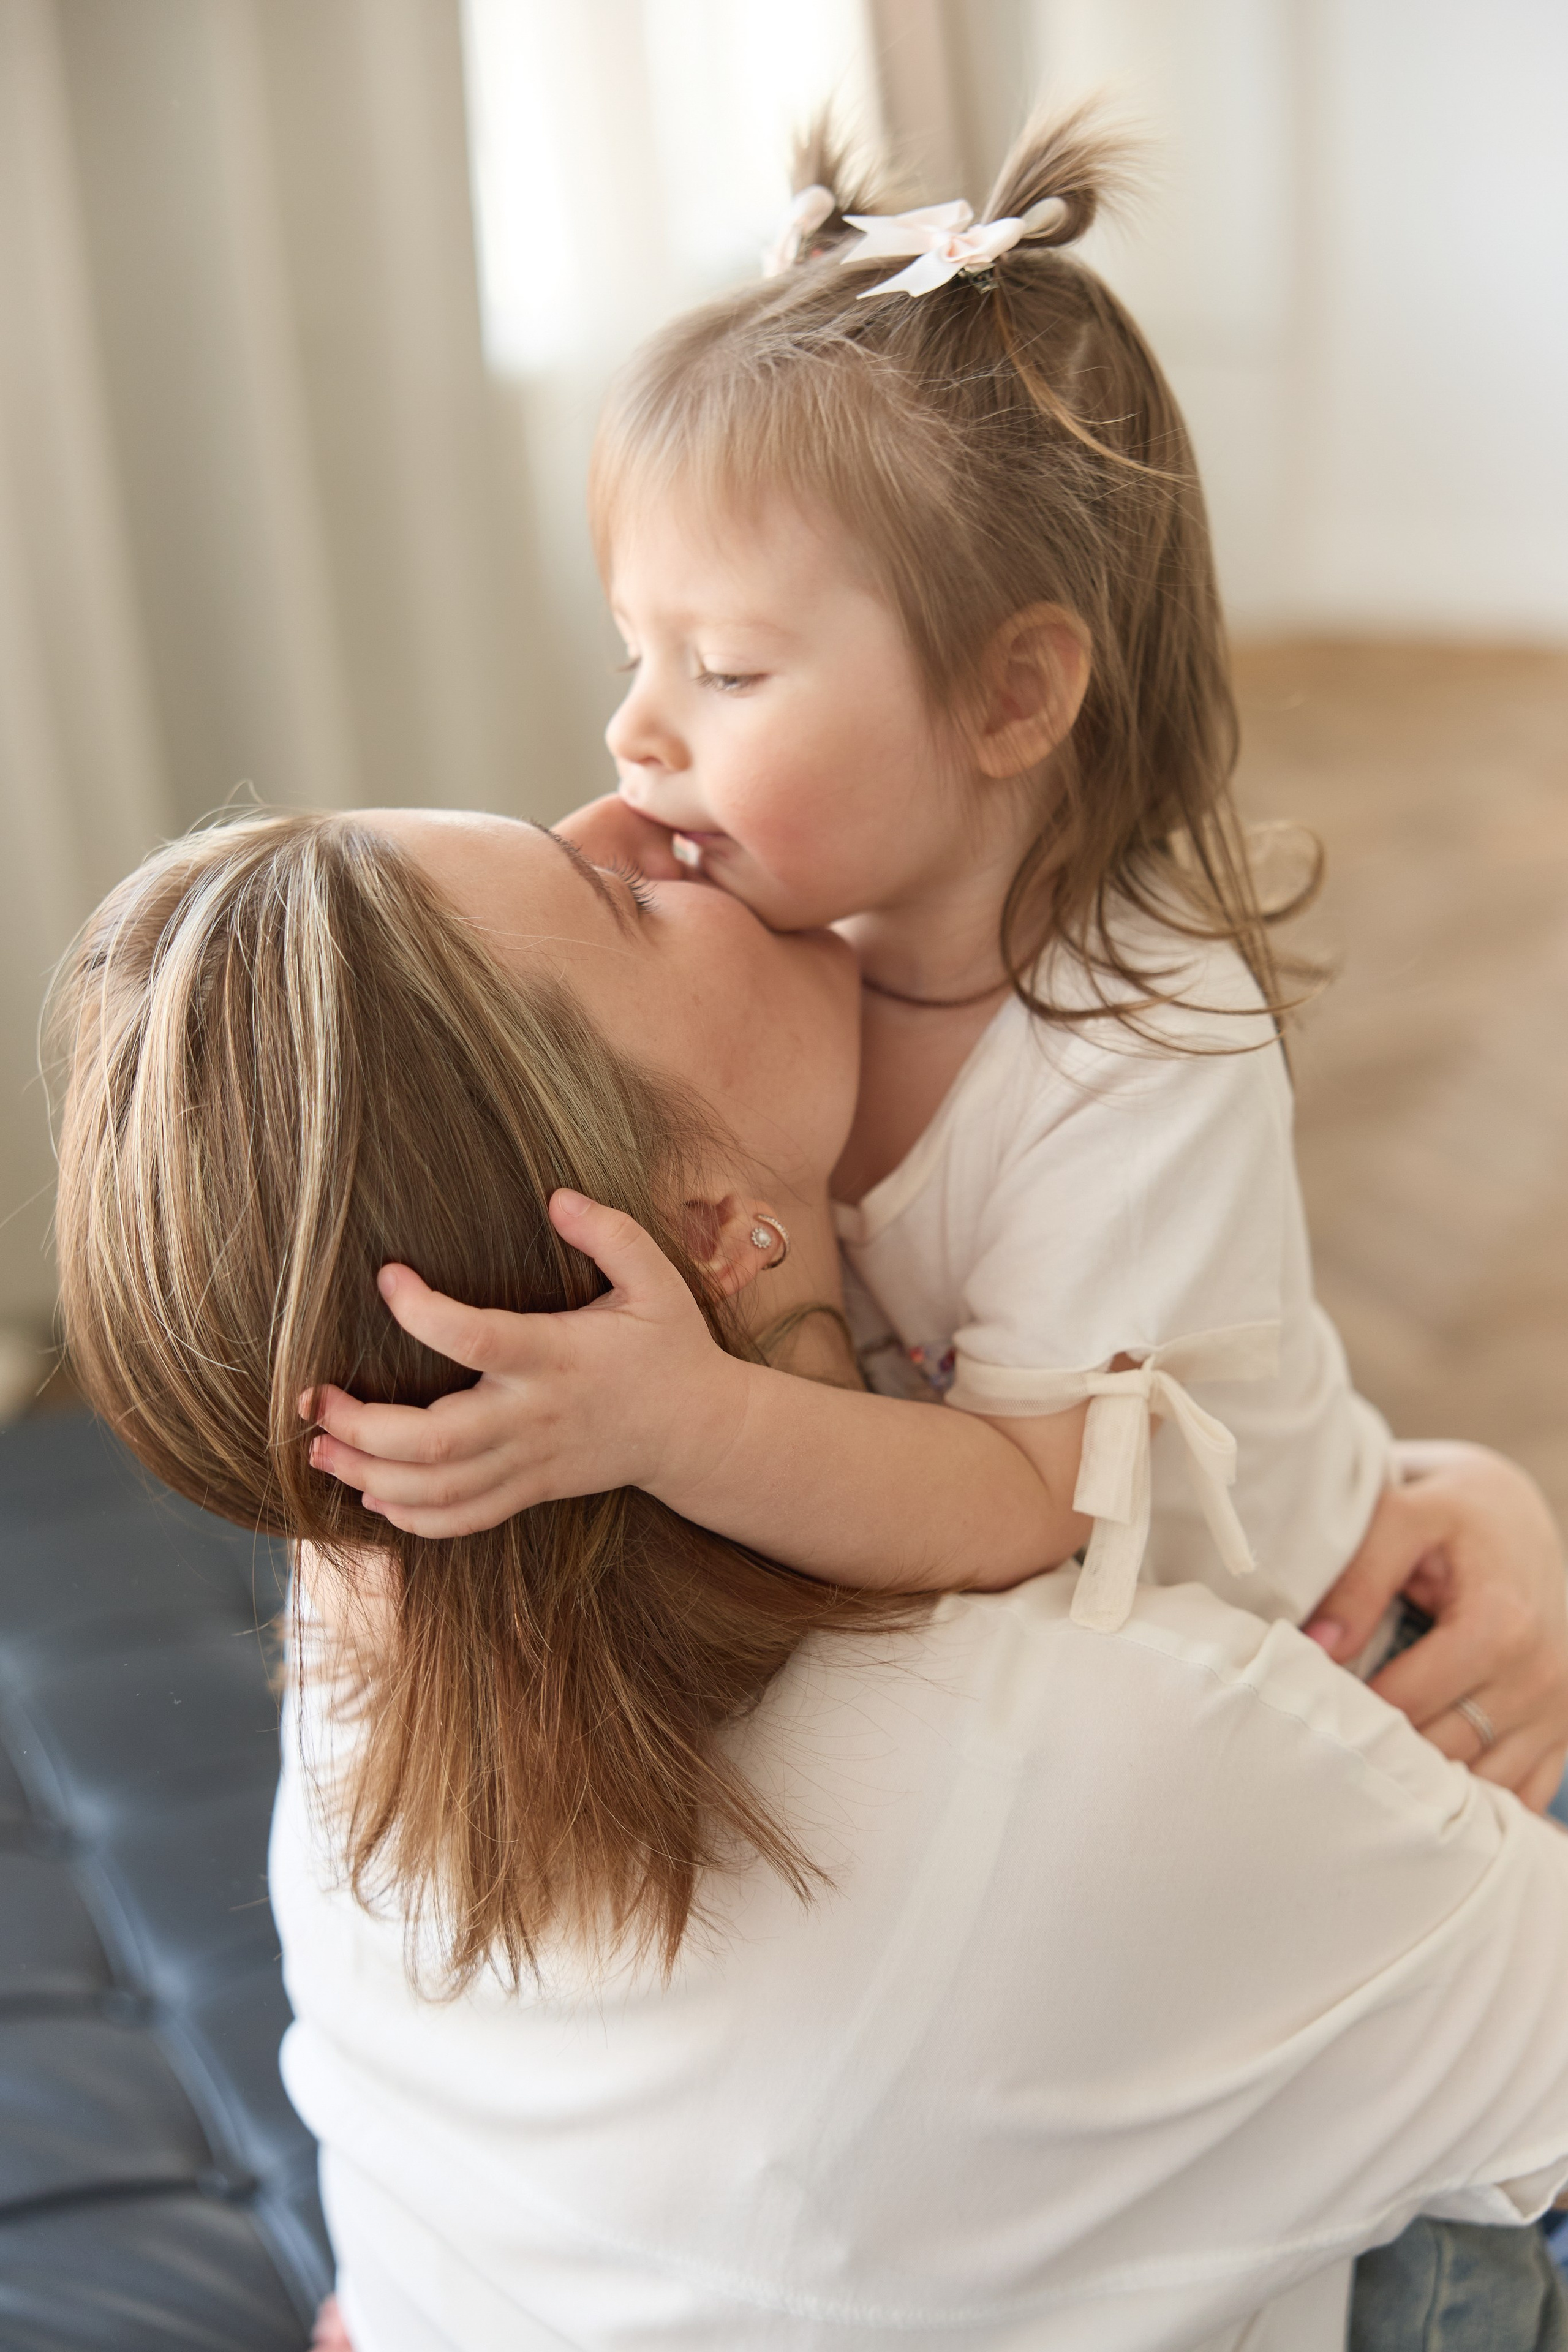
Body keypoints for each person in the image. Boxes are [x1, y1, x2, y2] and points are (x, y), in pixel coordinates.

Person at [51, 807, 1568, 2351]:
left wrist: (1445, 1493)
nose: (639, 808)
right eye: (622, 897)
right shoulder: (1098, 1748)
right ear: (708, 1229)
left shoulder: (368, 1603)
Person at [303, 110, 1568, 1817]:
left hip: (1337, 1685)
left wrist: (677, 1425)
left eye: (727, 672)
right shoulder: (786, 934)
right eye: (634, 651)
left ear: (1009, 699)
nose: (632, 731)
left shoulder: (1139, 1039)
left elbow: (1023, 1497)